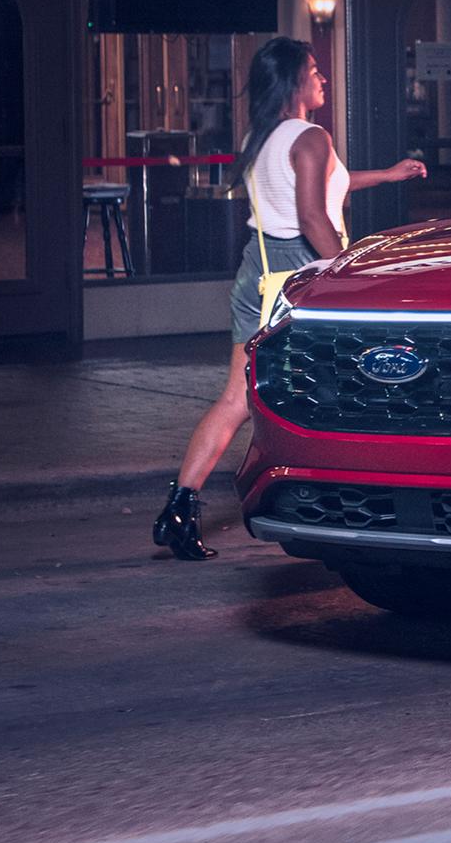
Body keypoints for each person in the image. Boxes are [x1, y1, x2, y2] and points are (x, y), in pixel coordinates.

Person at [150, 37, 425, 561]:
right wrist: (351, 275)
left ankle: (179, 509)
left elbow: (320, 187)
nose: (322, 78)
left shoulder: (264, 135)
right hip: (301, 276)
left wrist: (387, 175)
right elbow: (313, 216)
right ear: (295, 80)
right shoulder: (312, 136)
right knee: (341, 395)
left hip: (256, 274)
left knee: (237, 399)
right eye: (315, 70)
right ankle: (341, 507)